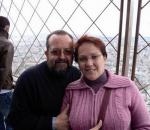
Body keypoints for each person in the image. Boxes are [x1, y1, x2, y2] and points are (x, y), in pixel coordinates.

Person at [61, 35, 150, 130]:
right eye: (82, 59)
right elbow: (63, 127)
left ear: (104, 58)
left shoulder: (127, 86)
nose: (89, 63)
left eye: (94, 57)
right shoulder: (72, 90)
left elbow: (145, 126)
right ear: (78, 62)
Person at [6, 30, 81, 130]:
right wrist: (53, 123)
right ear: (47, 54)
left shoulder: (76, 75)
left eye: (67, 52)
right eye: (55, 52)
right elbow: (15, 119)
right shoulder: (28, 79)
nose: (62, 57)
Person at [0, 16, 14, 130]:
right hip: (3, 91)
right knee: (11, 121)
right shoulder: (7, 44)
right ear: (6, 27)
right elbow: (4, 69)